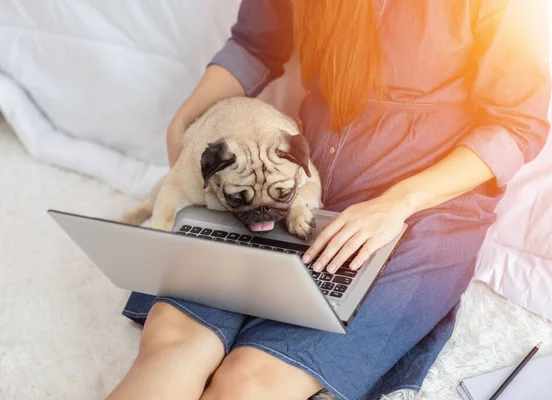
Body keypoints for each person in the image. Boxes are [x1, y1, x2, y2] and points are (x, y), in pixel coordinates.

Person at [108, 1, 550, 399]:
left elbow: (519, 126)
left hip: (423, 212)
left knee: (249, 378)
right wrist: (186, 121)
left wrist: (395, 203)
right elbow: (255, 43)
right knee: (175, 340)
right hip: (297, 186)